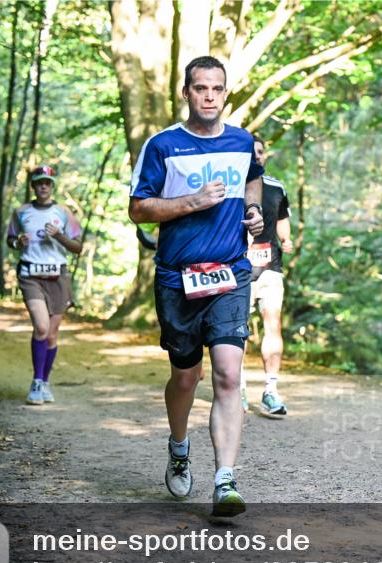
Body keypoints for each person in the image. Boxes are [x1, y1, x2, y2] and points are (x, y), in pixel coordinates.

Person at [128, 55, 264, 517]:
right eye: (200, 88)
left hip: (230, 273)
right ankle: (179, 446)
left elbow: (254, 181)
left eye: (217, 89)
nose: (209, 96)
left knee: (228, 374)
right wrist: (191, 202)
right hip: (177, 277)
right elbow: (139, 210)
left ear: (227, 93)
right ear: (186, 93)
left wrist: (254, 212)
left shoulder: (242, 141)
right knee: (187, 376)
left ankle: (224, 480)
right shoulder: (163, 145)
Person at [7, 165, 83, 406]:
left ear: (52, 186)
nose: (43, 186)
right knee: (41, 327)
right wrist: (18, 241)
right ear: (33, 186)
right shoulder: (21, 212)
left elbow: (77, 247)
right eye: (39, 182)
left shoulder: (63, 213)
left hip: (58, 276)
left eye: (47, 183)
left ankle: (45, 382)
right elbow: (10, 240)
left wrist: (59, 235)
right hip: (30, 274)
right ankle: (37, 381)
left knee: (51, 335)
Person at [241, 136, 294, 418]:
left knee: (272, 324)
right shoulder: (232, 186)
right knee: (237, 331)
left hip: (270, 269)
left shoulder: (276, 187)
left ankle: (270, 391)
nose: (257, 157)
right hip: (236, 272)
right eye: (251, 153)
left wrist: (286, 239)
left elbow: (282, 218)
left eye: (260, 152)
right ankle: (236, 387)